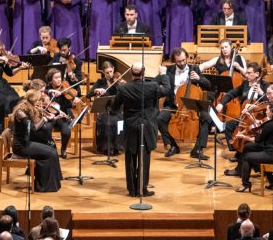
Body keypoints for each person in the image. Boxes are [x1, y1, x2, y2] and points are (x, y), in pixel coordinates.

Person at [109, 61, 169, 197]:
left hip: (130, 126)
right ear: (144, 73)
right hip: (147, 126)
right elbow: (166, 90)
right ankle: (142, 189)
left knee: (130, 158)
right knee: (144, 159)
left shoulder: (123, 89)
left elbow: (114, 107)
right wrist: (163, 75)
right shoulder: (152, 86)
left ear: (131, 72)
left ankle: (132, 190)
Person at [157, 48, 212, 159]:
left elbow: (208, 85)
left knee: (207, 118)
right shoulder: (168, 70)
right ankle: (173, 145)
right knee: (160, 119)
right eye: (179, 61)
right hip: (173, 105)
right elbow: (158, 85)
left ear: (186, 57)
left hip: (192, 105)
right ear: (174, 60)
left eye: (183, 60)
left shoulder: (194, 68)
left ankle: (197, 149)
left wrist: (199, 79)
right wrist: (161, 76)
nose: (182, 63)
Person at [213, 61, 266, 170]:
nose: (246, 75)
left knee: (246, 132)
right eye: (246, 73)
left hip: (259, 119)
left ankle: (242, 156)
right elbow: (231, 93)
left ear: (257, 74)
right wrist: (221, 104)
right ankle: (238, 150)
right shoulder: (246, 84)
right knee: (229, 126)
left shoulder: (266, 86)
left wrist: (261, 93)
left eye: (250, 73)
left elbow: (272, 102)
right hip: (245, 118)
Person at [10, 90, 63, 192]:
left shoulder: (30, 108)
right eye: (39, 100)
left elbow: (35, 123)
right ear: (34, 100)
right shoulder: (20, 112)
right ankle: (43, 186)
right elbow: (33, 128)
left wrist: (49, 117)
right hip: (21, 146)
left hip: (26, 142)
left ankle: (52, 182)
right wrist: (45, 119)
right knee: (50, 154)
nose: (40, 103)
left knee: (52, 150)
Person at [238, 101, 273, 192]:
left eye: (267, 110)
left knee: (246, 157)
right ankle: (272, 183)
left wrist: (244, 137)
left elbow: (257, 140)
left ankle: (245, 185)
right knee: (248, 148)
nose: (265, 112)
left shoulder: (269, 125)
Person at [89, 61, 124, 155]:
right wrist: (96, 90)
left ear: (113, 69)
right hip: (105, 111)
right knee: (107, 123)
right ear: (103, 73)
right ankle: (107, 148)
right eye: (107, 72)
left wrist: (121, 85)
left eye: (111, 71)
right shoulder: (100, 82)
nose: (110, 74)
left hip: (117, 110)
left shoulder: (118, 81)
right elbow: (89, 94)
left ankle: (117, 147)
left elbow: (124, 95)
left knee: (118, 122)